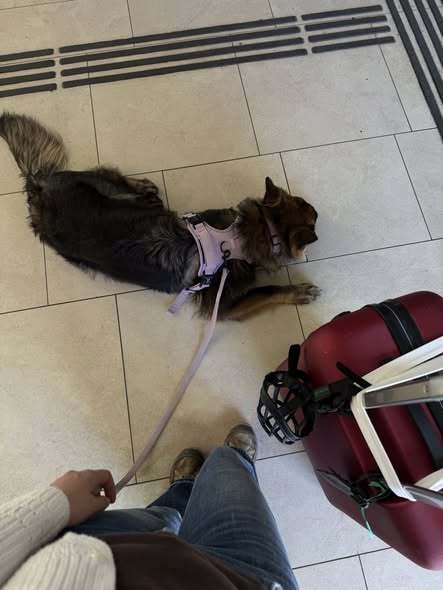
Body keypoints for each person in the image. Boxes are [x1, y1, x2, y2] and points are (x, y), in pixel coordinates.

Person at [0, 425, 298, 589]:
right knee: (226, 469)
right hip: (245, 579)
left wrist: (54, 503)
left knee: (163, 516)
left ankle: (182, 491)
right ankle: (234, 460)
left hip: (99, 546)